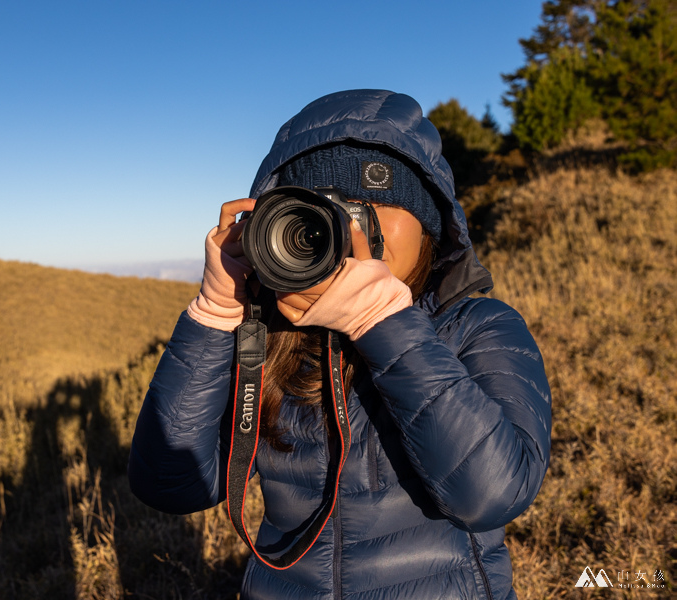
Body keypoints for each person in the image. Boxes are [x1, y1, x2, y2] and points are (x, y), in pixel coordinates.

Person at [128, 89, 551, 599]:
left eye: (382, 196)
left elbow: (491, 493)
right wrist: (216, 314)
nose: (355, 224)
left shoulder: (476, 325)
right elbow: (171, 485)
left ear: (430, 225)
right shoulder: (271, 341)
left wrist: (382, 322)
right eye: (328, 206)